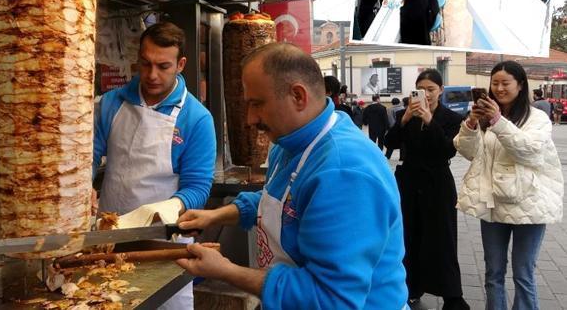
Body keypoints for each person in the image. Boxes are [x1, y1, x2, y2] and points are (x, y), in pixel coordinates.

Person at [174, 42, 408, 308]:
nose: (250, 119)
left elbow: (330, 299)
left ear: (298, 96)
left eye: (257, 104)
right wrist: (216, 215)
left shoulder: (344, 173)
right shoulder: (291, 142)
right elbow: (279, 203)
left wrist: (227, 271)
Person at [93, 22, 216, 309]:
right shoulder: (112, 103)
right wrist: (84, 188)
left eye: (163, 66)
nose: (151, 75)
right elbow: (89, 156)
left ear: (181, 64)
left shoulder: (197, 118)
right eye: (145, 64)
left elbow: (198, 187)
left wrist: (164, 209)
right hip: (107, 236)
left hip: (163, 243)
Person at [454, 61, 563, 310]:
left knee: (523, 274)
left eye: (506, 83)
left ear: (520, 85)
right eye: (495, 83)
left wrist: (498, 120)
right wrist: (471, 125)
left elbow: (529, 151)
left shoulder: (538, 118)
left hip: (529, 204)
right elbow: (470, 153)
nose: (500, 88)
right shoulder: (485, 117)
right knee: (493, 272)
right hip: (493, 203)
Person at [384, 70, 470, 309]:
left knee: (442, 238)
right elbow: (390, 143)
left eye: (431, 89)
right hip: (408, 182)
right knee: (409, 236)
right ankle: (411, 287)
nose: (427, 94)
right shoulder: (405, 114)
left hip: (438, 184)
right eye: (421, 89)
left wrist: (429, 121)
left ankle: (452, 296)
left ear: (440, 90)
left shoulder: (452, 118)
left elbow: (447, 150)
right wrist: (404, 120)